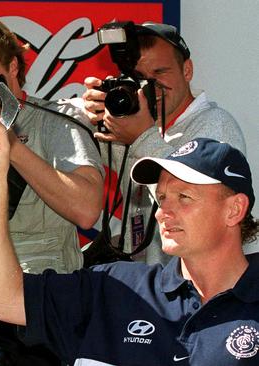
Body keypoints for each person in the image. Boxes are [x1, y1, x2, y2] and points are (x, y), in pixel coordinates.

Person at [0, 117, 259, 364]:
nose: (163, 212)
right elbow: (2, 299)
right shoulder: (115, 287)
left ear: (234, 209)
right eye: (163, 198)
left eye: (184, 197)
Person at [0, 15, 104, 274]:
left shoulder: (56, 120)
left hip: (34, 287)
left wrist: (11, 145)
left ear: (13, 67)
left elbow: (86, 210)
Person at [78, 21, 246, 264]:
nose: (150, 86)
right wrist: (94, 117)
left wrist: (142, 136)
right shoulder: (139, 124)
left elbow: (192, 200)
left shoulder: (215, 125)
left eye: (159, 73)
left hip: (195, 286)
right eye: (139, 77)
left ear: (187, 70)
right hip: (147, 283)